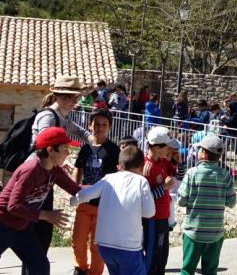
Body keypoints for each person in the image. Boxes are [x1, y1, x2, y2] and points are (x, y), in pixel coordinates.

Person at [0, 127, 81, 275]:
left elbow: (76, 190)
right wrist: (46, 215)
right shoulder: (31, 170)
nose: (68, 153)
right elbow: (13, 206)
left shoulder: (55, 171)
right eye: (65, 148)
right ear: (51, 150)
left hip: (22, 228)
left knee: (40, 267)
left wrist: (104, 186)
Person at [69, 146, 155, 275]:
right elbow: (149, 212)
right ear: (142, 167)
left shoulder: (108, 178)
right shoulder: (141, 181)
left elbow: (86, 194)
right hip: (129, 247)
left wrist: (73, 200)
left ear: (119, 165)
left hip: (104, 246)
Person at [30, 77, 89, 259]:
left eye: (76, 98)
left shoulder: (62, 117)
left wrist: (94, 140)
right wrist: (63, 162)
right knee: (36, 240)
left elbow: (79, 131)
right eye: (73, 98)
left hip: (46, 178)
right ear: (60, 97)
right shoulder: (48, 117)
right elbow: (41, 145)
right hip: (35, 179)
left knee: (41, 240)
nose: (75, 102)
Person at [177, 134, 237, 275]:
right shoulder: (225, 175)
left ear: (203, 153)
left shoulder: (192, 173)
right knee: (210, 270)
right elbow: (232, 202)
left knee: (187, 270)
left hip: (194, 232)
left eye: (199, 149)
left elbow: (181, 200)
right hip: (215, 233)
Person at [72, 109, 121, 275]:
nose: (100, 128)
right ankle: (81, 268)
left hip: (104, 206)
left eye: (104, 125)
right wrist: (74, 190)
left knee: (97, 246)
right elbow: (78, 170)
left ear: (109, 127)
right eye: (97, 124)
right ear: (90, 125)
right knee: (78, 241)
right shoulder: (85, 149)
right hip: (84, 203)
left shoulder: (114, 150)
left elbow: (120, 176)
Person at [142, 126, 175, 275]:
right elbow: (145, 197)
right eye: (166, 146)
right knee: (152, 256)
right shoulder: (147, 168)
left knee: (162, 256)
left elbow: (174, 173)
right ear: (156, 148)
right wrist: (164, 187)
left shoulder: (160, 161)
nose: (169, 149)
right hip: (152, 219)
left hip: (163, 217)